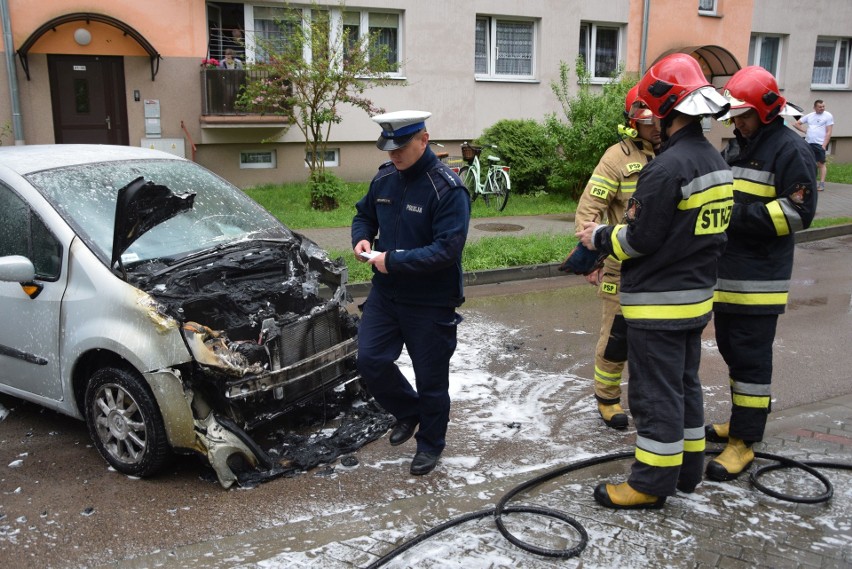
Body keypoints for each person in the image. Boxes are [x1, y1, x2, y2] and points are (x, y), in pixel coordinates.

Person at [577, 53, 733, 509]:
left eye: (655, 114)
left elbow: (642, 238)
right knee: (684, 386)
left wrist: (601, 236)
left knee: (654, 396)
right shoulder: (714, 160)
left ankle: (649, 483)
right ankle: (686, 471)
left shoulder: (665, 168)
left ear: (667, 111)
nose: (651, 124)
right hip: (694, 298)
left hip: (658, 304)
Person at [705, 66, 817, 481]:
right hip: (728, 275)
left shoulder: (790, 150)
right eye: (733, 115)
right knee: (733, 353)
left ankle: (744, 443)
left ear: (767, 112)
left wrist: (732, 217)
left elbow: (798, 212)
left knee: (752, 362)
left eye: (744, 115)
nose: (737, 121)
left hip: (758, 282)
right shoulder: (739, 145)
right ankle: (739, 422)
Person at [351, 110, 470, 476]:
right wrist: (362, 238)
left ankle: (431, 443)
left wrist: (394, 260)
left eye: (401, 147)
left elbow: (446, 249)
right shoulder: (385, 177)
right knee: (369, 360)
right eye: (389, 149)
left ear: (424, 139)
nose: (394, 155)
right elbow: (363, 215)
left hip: (431, 301)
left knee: (431, 379)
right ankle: (408, 411)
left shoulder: (447, 189)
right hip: (387, 294)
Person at [570, 85, 661, 430]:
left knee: (655, 340)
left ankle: (651, 400)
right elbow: (587, 214)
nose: (654, 127)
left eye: (658, 120)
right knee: (616, 338)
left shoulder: (673, 152)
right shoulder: (616, 158)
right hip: (621, 266)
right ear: (632, 122)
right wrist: (592, 257)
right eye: (646, 121)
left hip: (661, 267)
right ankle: (607, 399)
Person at [795, 100, 833, 191]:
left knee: (821, 164)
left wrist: (824, 145)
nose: (822, 108)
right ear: (815, 107)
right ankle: (810, 182)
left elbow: (829, 132)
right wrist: (805, 131)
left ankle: (822, 184)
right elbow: (797, 124)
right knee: (808, 163)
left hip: (819, 144)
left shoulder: (828, 116)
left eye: (823, 106)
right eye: (820, 107)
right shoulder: (810, 116)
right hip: (808, 143)